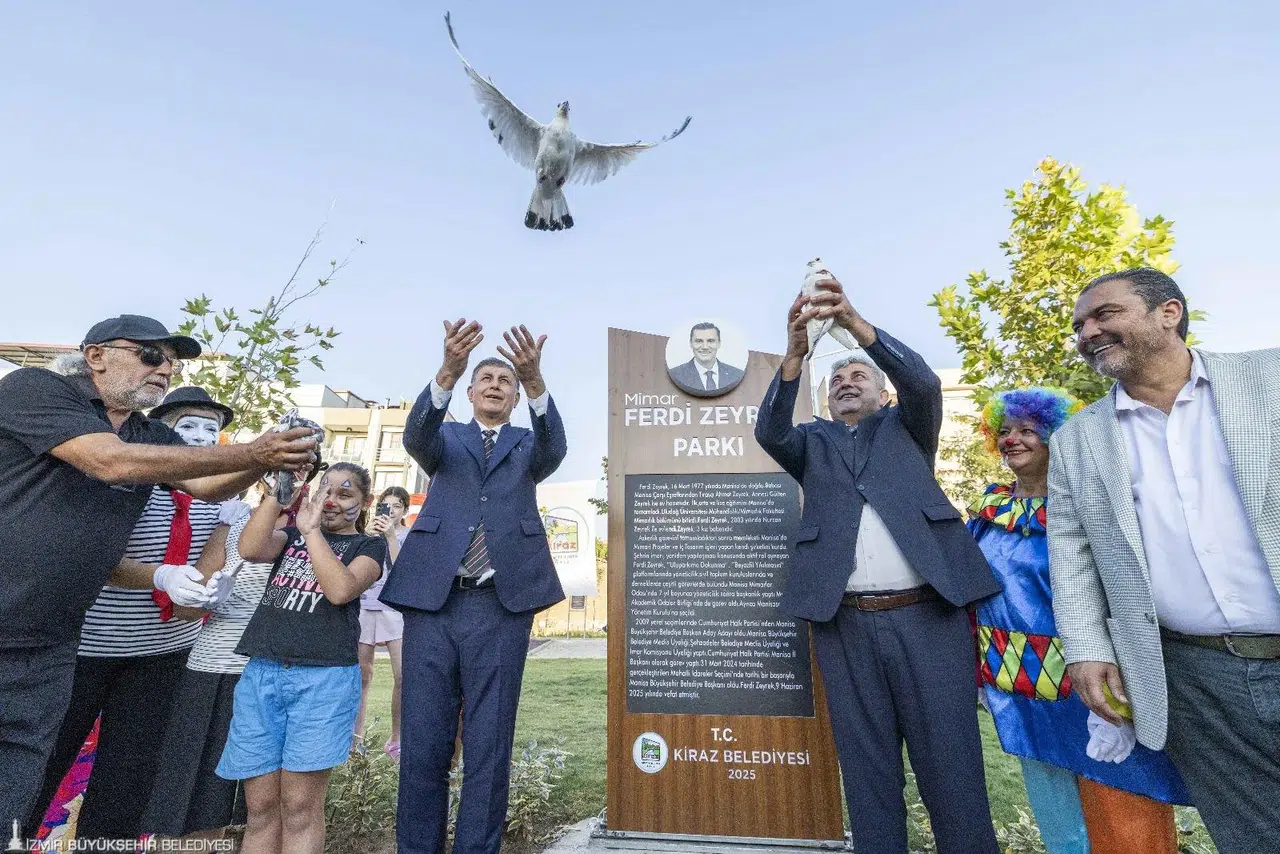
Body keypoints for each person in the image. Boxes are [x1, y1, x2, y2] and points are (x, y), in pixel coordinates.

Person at [0, 314, 317, 832]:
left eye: (172, 360)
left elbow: (210, 486)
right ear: (97, 354)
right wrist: (255, 451)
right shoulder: (38, 390)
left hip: (51, 641)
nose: (165, 368)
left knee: (16, 788)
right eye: (151, 355)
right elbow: (111, 463)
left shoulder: (149, 431)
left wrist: (276, 458)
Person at [755, 277, 1002, 854]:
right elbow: (768, 431)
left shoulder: (908, 427)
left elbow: (921, 380)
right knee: (867, 770)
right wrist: (794, 357)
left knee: (952, 765)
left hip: (928, 621)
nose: (845, 381)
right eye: (835, 379)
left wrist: (855, 326)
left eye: (858, 375)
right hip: (845, 627)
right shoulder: (810, 441)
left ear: (882, 393)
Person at [1048, 268, 1280, 854]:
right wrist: (1088, 648)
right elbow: (1071, 553)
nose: (1088, 331)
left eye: (1105, 314)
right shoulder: (1077, 441)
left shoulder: (1268, 377)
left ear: (1168, 313)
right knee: (1253, 835)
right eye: (1080, 325)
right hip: (1195, 678)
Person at [969, 387, 1190, 854]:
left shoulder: (1092, 507)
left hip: (1093, 685)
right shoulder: (989, 514)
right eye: (1005, 431)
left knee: (1125, 811)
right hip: (1016, 687)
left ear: (1055, 436)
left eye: (1029, 430)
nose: (1014, 440)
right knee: (1058, 817)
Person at [381, 321, 566, 854]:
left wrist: (536, 382)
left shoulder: (530, 444)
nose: (494, 384)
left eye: (504, 380)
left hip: (501, 606)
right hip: (433, 604)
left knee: (489, 744)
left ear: (513, 396)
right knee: (423, 742)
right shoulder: (445, 439)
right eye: (484, 377)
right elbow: (416, 434)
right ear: (469, 391)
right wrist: (446, 369)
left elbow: (556, 445)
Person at [26, 385, 242, 844]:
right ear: (163, 433)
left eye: (212, 429)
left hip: (161, 655)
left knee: (128, 779)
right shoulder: (127, 481)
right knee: (43, 765)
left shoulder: (221, 501)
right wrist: (159, 576)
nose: (201, 438)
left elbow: (201, 586)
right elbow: (91, 557)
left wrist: (226, 530)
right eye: (189, 427)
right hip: (89, 647)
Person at [215, 462, 386, 854]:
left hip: (323, 683)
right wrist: (279, 496)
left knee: (299, 808)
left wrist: (311, 532)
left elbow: (340, 589)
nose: (331, 500)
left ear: (365, 502)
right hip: (263, 673)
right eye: (325, 490)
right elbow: (250, 547)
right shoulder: (290, 536)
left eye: (344, 494)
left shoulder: (368, 547)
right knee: (258, 810)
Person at [139, 472, 316, 845]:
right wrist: (203, 597)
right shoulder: (233, 522)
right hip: (214, 670)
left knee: (266, 807)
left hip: (275, 675)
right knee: (198, 800)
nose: (286, 481)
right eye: (278, 472)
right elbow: (186, 607)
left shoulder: (314, 532)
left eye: (299, 473)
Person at [354, 485, 411, 761]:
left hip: (395, 610)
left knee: (402, 675)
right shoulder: (367, 534)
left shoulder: (408, 535)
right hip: (366, 606)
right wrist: (372, 535)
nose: (389, 511)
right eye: (385, 506)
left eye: (396, 506)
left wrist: (390, 536)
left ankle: (397, 739)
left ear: (404, 511)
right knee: (362, 675)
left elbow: (403, 570)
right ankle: (355, 739)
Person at [668, 321, 745, 396]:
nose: (705, 347)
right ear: (691, 344)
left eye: (710, 341)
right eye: (699, 341)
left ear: (719, 343)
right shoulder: (676, 375)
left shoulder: (736, 374)